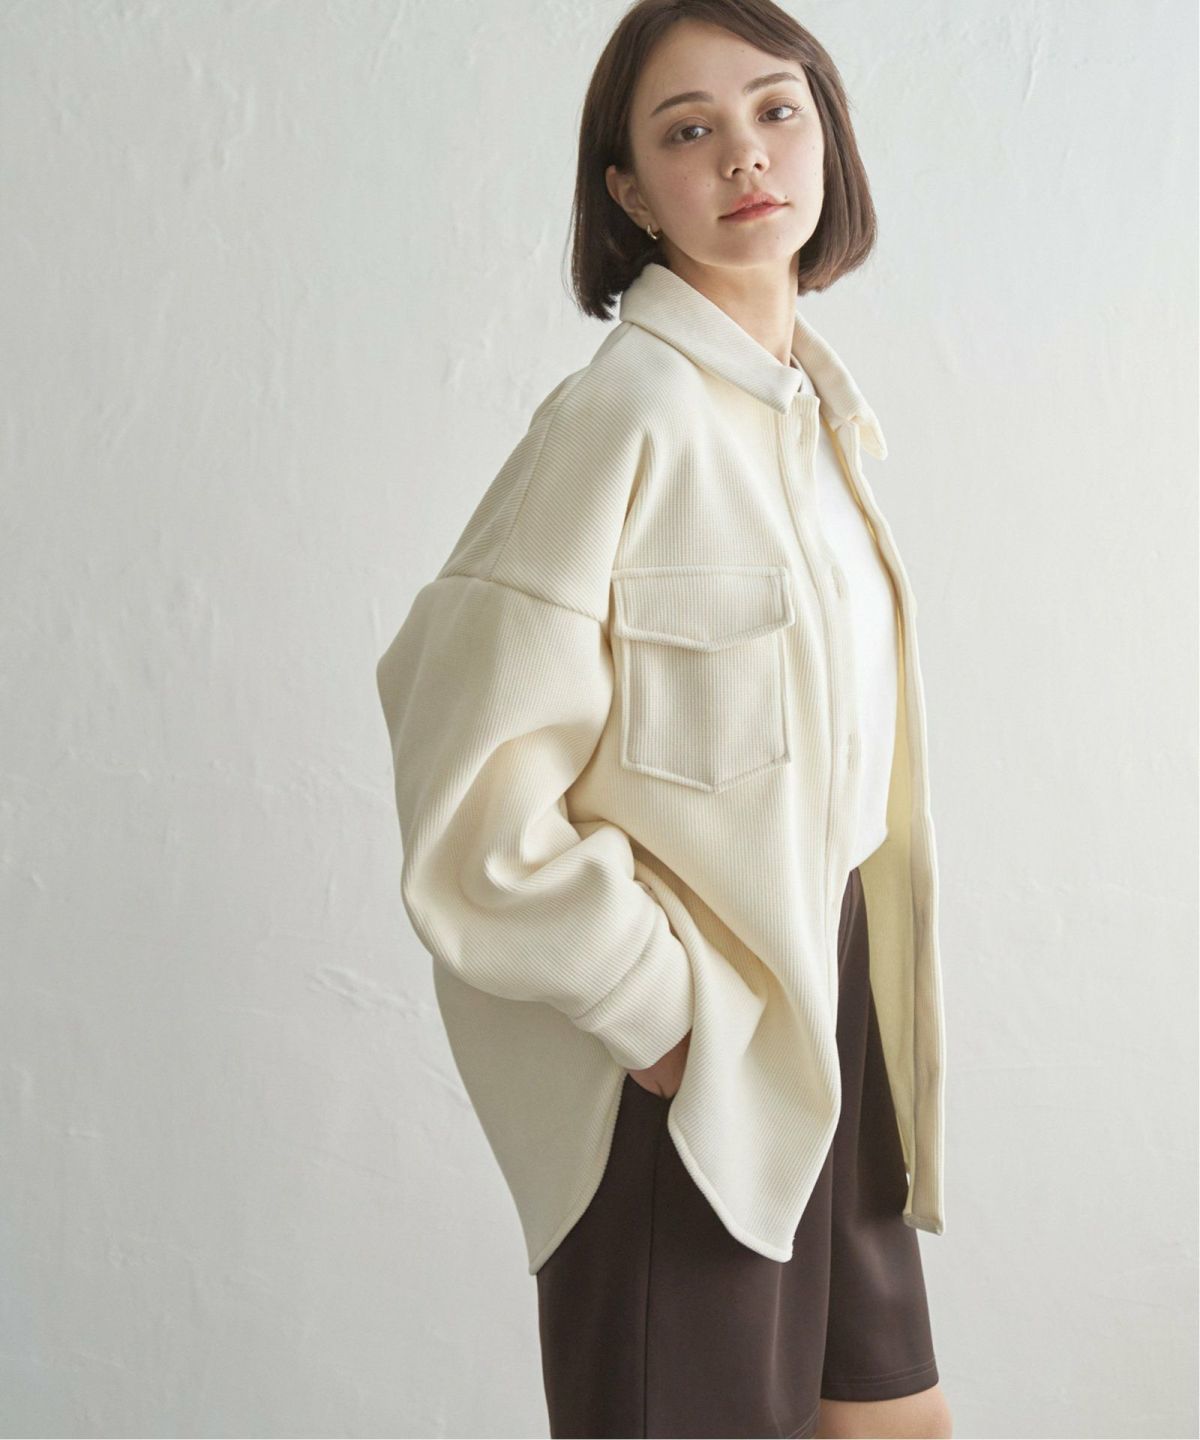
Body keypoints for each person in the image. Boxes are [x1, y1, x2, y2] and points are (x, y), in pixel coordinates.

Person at [374, 1, 953, 1435]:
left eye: (776, 110)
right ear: (630, 193)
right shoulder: (620, 418)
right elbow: (471, 798)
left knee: (891, 1420)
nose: (745, 154)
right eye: (689, 131)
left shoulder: (815, 423)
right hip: (690, 1078)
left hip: (834, 1014)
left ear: (827, 134)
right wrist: (665, 1025)